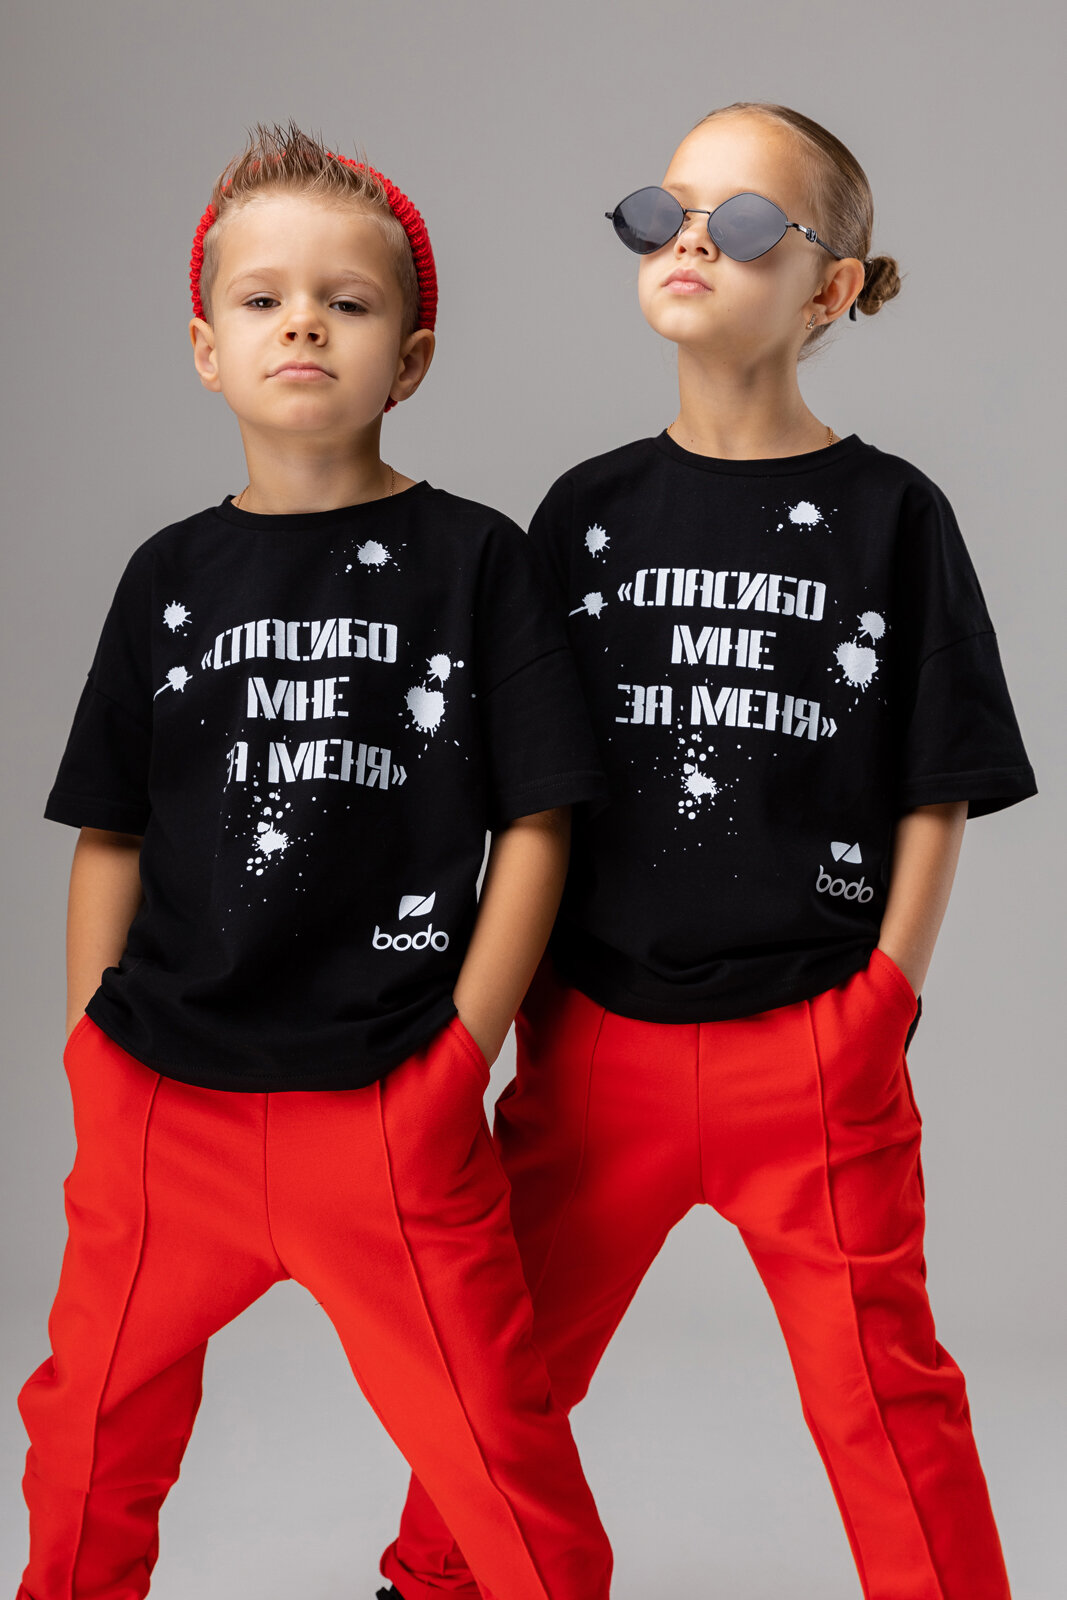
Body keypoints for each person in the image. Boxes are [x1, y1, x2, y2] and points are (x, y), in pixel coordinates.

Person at [382, 102, 1036, 1600]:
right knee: (504, 1362)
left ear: (831, 288)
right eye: (662, 211)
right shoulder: (585, 514)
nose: (690, 241)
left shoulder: (893, 517)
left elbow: (936, 786)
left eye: (743, 224)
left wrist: (882, 1001)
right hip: (594, 1044)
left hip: (810, 1048)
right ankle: (433, 1581)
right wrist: (502, 1012)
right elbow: (527, 794)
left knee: (882, 1392)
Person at [16, 121, 614, 1600]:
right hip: (166, 1105)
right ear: (206, 349)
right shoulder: (168, 575)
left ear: (409, 358)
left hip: (386, 1099)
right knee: (87, 1447)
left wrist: (462, 1050)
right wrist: (93, 1048)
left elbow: (539, 824)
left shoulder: (477, 560)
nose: (302, 324)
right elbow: (111, 827)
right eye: (262, 299)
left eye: (345, 303)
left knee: (501, 1457)